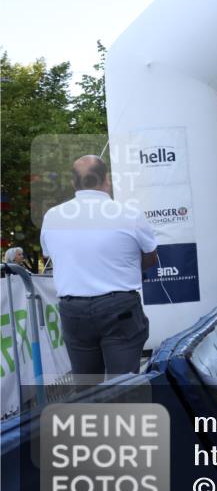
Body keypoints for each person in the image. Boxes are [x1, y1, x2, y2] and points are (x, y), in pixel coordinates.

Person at [40, 155, 159, 378]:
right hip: (119, 307)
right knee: (123, 385)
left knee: (87, 386)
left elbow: (53, 255)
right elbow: (151, 258)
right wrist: (124, 268)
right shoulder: (130, 214)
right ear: (107, 179)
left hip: (73, 310)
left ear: (74, 182)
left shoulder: (52, 217)